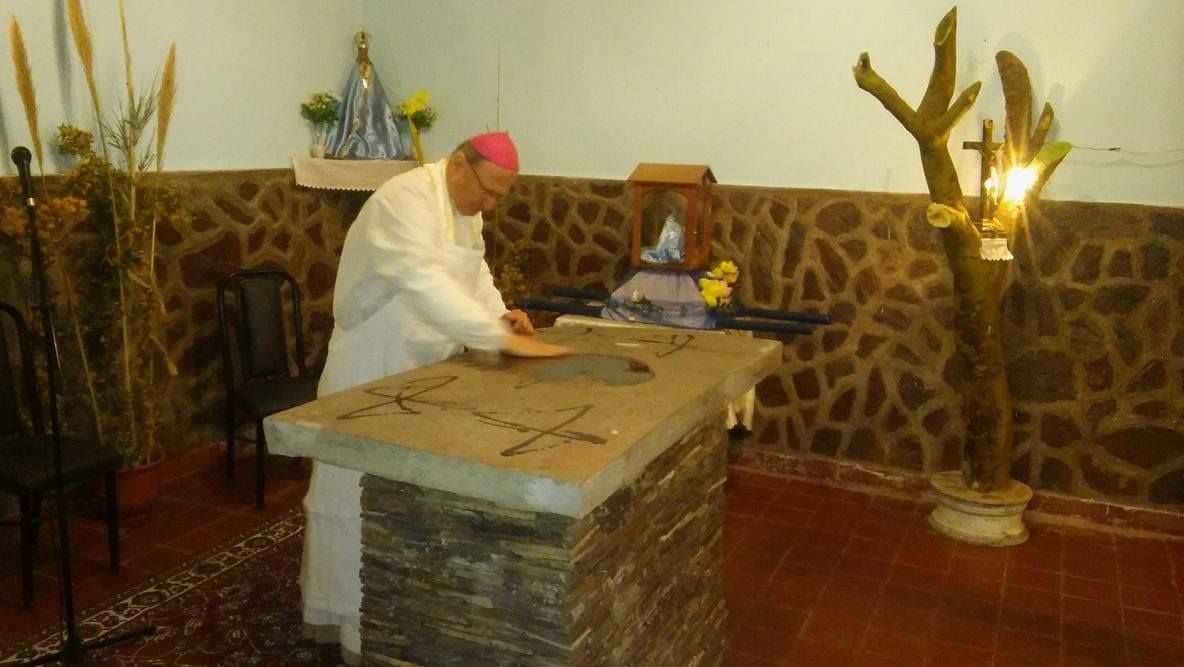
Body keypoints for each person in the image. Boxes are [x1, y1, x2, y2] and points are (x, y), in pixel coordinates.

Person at [300, 131, 570, 664]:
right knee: (355, 500)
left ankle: (410, 615)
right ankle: (352, 626)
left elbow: (472, 273)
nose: (490, 205)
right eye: (488, 192)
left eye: (500, 197)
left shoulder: (467, 209)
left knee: (409, 504)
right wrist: (494, 338)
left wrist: (500, 315)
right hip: (371, 367)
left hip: (426, 373)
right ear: (459, 165)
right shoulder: (404, 200)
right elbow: (422, 280)